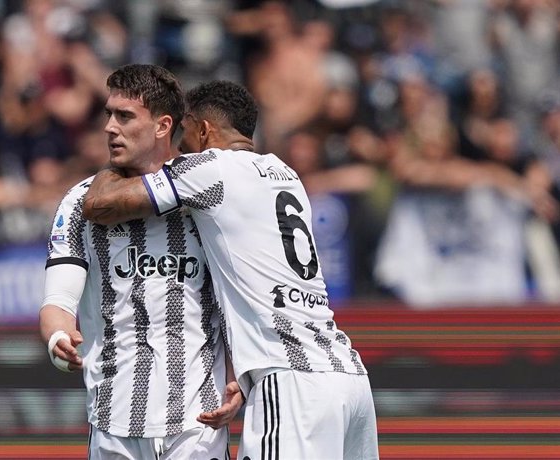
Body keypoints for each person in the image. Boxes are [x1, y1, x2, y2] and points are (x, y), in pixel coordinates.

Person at [82, 80, 379, 459]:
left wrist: (116, 164)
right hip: (347, 376)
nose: (178, 150)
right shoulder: (284, 173)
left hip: (290, 380)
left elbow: (100, 204)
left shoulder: (209, 169)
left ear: (204, 131)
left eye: (184, 136)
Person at [39, 65, 241, 460]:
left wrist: (236, 378)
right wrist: (57, 339)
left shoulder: (207, 197)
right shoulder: (78, 203)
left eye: (125, 116)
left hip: (197, 424)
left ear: (163, 126)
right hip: (113, 423)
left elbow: (235, 300)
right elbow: (58, 302)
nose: (110, 127)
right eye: (108, 114)